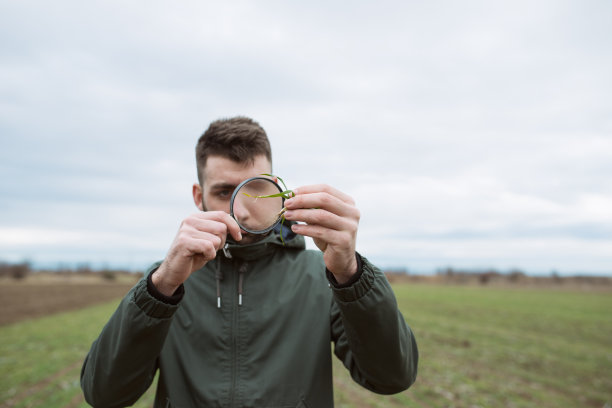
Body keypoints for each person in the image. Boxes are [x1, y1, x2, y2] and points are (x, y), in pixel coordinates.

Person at [80, 116, 418, 408]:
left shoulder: (323, 276)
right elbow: (105, 395)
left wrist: (350, 275)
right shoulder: (166, 284)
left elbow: (391, 378)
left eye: (255, 189)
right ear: (199, 197)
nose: (240, 210)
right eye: (224, 192)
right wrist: (161, 288)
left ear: (276, 188)